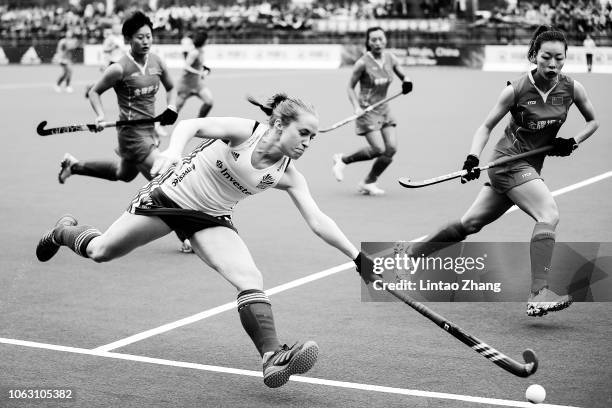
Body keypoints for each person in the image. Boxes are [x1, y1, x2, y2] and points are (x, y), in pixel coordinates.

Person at [36, 93, 365, 388]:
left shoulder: (288, 174)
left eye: (312, 137)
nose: (307, 142)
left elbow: (318, 220)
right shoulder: (247, 132)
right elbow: (190, 125)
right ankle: (63, 230)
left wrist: (358, 258)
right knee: (101, 251)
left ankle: (271, 356)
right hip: (171, 196)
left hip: (211, 218)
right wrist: (173, 152)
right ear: (279, 124)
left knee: (250, 278)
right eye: (303, 133)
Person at [406, 25, 599, 317]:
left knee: (468, 225)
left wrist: (572, 141)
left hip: (530, 166)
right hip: (508, 163)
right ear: (534, 55)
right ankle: (538, 294)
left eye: (559, 58)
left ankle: (410, 255)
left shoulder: (572, 88)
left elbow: (593, 122)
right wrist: (473, 157)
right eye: (546, 57)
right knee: (548, 214)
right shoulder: (516, 90)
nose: (553, 64)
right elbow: (485, 127)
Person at [57, 11, 185, 251]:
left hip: (149, 131)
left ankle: (73, 166)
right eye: (140, 37)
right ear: (128, 39)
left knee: (122, 173)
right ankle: (186, 236)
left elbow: (172, 87)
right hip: (131, 135)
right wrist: (100, 116)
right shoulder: (119, 68)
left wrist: (171, 106)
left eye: (148, 36)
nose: (146, 41)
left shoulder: (157, 62)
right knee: (164, 179)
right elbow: (94, 91)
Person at [332, 26, 412, 196]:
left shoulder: (390, 58)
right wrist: (356, 107)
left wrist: (407, 80)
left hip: (384, 108)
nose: (378, 42)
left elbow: (403, 75)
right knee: (378, 149)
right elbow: (350, 87)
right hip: (366, 111)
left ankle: (368, 182)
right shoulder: (362, 63)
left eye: (381, 39)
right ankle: (342, 159)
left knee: (391, 149)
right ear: (368, 42)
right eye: (373, 39)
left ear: (385, 40)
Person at [175, 30, 213, 119]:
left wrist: (204, 67)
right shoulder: (194, 52)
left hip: (197, 84)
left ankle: (198, 122)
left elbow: (197, 64)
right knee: (175, 110)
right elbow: (186, 67)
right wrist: (199, 72)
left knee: (209, 102)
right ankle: (159, 126)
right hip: (186, 85)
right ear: (203, 40)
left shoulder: (201, 51)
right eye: (207, 39)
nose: (208, 41)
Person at [84, 26, 126, 98]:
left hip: (120, 61)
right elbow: (105, 50)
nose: (119, 30)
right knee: (108, 81)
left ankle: (91, 87)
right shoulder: (110, 39)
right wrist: (112, 48)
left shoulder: (121, 37)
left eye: (119, 29)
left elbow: (121, 50)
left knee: (114, 80)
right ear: (114, 30)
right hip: (112, 61)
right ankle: (91, 87)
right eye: (117, 29)